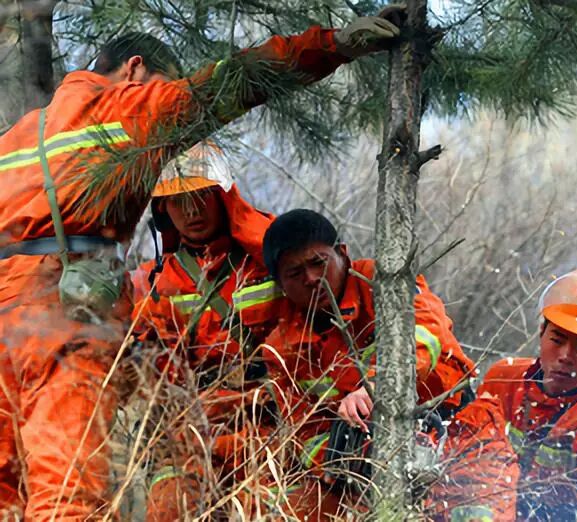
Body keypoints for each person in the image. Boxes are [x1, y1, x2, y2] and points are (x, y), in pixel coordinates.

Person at [0, 12, 400, 519]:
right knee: (68, 496)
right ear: (135, 70)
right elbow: (230, 83)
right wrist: (333, 44)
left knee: (7, 494)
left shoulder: (17, 137)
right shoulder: (123, 110)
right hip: (58, 317)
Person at [260, 209, 475, 512]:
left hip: (450, 421)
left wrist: (376, 387)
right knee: (288, 508)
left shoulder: (382, 281)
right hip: (361, 467)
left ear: (342, 254)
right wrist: (344, 463)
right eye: (295, 274)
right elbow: (304, 433)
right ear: (281, 284)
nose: (311, 279)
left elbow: (427, 330)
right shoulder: (281, 349)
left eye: (319, 263)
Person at [129, 143, 286, 520]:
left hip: (266, 427)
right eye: (178, 201)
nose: (192, 211)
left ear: (223, 196)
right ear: (163, 210)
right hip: (188, 435)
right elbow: (137, 367)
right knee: (169, 507)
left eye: (201, 196)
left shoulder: (276, 257)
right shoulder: (155, 282)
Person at [478, 269, 577, 521]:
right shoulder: (502, 380)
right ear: (542, 332)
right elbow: (467, 457)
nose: (566, 355)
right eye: (557, 340)